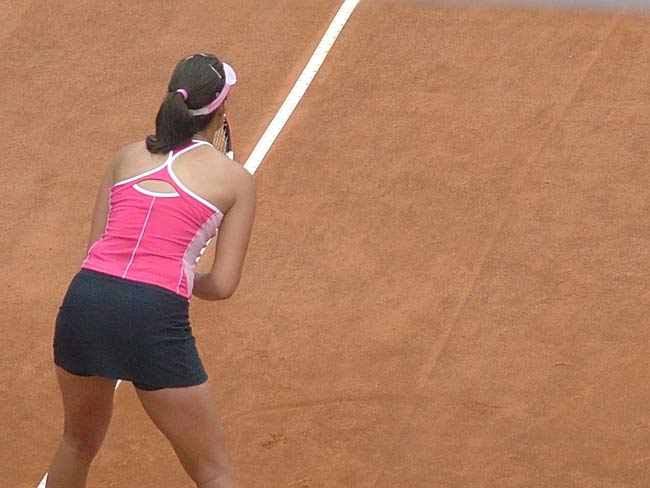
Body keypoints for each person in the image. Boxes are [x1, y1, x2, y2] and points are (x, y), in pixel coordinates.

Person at [46, 53, 255, 488]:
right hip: (152, 316)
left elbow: (97, 250)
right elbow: (222, 284)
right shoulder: (236, 180)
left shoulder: (125, 158)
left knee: (76, 444)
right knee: (214, 472)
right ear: (220, 113)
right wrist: (177, 274)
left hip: (86, 301)